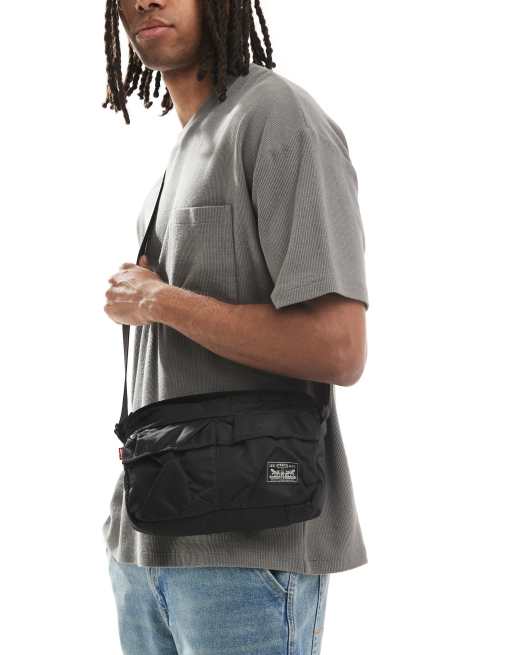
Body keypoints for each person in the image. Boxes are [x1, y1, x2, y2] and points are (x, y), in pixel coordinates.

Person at [102, 1, 369, 653]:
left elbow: (339, 347)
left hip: (245, 556)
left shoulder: (277, 118)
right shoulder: (183, 148)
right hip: (146, 541)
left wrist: (159, 301)